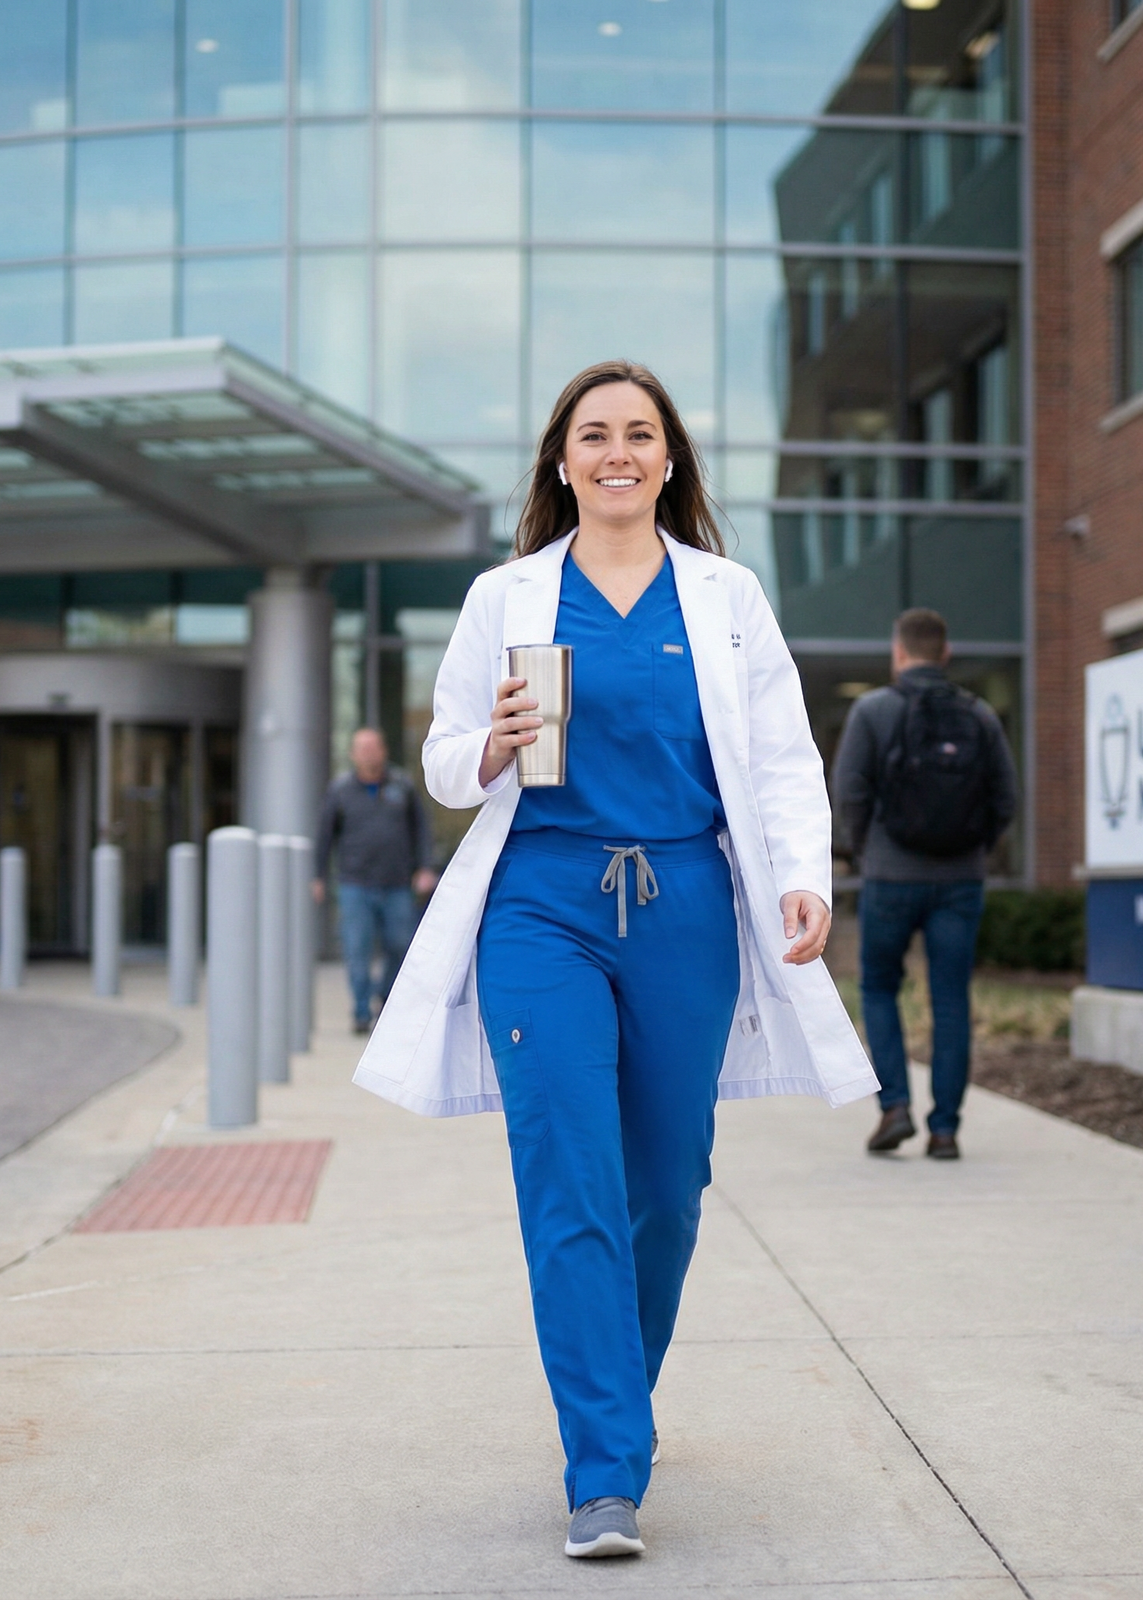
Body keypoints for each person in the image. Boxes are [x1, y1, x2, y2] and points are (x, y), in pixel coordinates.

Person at [352, 360, 877, 1560]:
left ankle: (612, 1398)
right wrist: (489, 743)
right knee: (569, 1177)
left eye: (640, 433)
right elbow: (439, 756)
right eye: (593, 435)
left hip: (687, 902)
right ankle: (604, 1468)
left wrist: (805, 872)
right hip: (541, 903)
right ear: (560, 461)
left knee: (667, 1187)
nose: (617, 452)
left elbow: (787, 756)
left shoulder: (728, 595)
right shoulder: (508, 596)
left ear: (672, 458)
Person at [832, 607, 1017, 1161]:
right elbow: (1006, 798)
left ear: (899, 654)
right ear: (946, 654)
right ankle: (945, 1130)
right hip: (960, 880)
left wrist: (869, 851)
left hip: (890, 876)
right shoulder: (980, 716)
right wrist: (973, 850)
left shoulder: (873, 710)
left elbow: (848, 793)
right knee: (951, 999)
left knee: (879, 989)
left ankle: (894, 1107)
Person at [312, 727, 438, 1034]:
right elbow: (325, 837)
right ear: (353, 755)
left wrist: (425, 867)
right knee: (357, 950)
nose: (369, 754)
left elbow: (420, 830)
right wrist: (318, 876)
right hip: (355, 884)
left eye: (374, 747)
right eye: (362, 749)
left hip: (396, 883)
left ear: (384, 751)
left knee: (400, 945)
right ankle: (360, 1011)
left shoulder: (402, 787)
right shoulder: (340, 790)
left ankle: (384, 999)